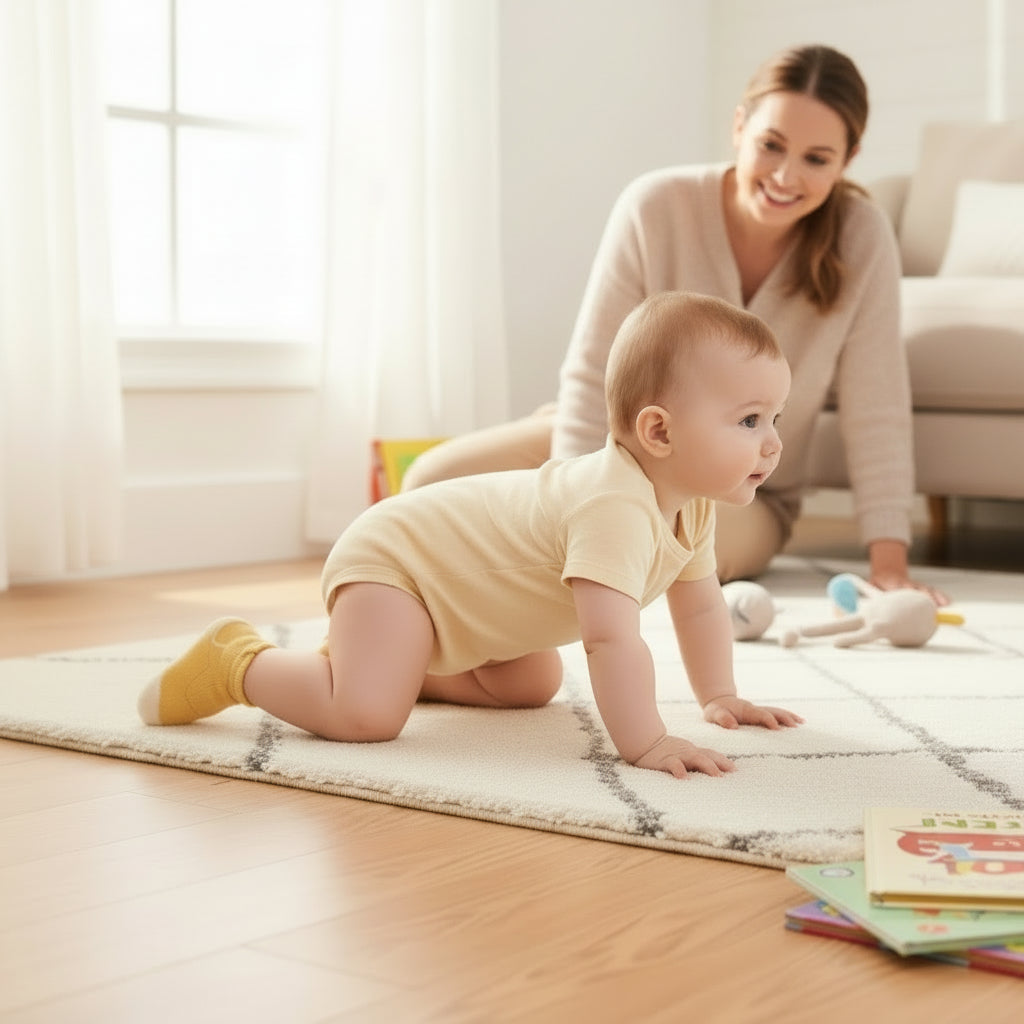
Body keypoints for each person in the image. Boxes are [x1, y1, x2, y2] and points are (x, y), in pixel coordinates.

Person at [138, 292, 802, 779]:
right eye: (748, 421)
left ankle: (396, 660)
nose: (771, 443)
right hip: (396, 564)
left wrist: (719, 695)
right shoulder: (613, 505)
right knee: (365, 716)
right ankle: (240, 661)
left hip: (462, 604)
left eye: (774, 417)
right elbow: (609, 638)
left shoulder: (690, 505)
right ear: (659, 432)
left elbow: (702, 604)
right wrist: (647, 742)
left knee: (529, 684)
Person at [402, 44, 946, 603]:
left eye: (816, 158)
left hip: (740, 489)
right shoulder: (656, 205)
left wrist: (890, 563)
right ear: (739, 126)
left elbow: (876, 406)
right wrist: (575, 495)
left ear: (848, 158)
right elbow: (595, 372)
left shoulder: (863, 236)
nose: (786, 175)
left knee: (659, 542)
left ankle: (539, 566)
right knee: (427, 486)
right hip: (609, 442)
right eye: (771, 145)